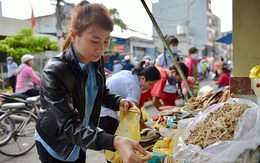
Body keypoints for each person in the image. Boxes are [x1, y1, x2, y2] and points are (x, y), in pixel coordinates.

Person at [35, 1, 151, 163]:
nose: (101, 48)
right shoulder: (55, 72)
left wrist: (119, 101)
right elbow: (68, 125)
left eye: (106, 41)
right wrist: (114, 141)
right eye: (95, 41)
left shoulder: (96, 60)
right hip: (57, 144)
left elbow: (100, 92)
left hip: (82, 138)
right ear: (75, 35)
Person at [99, 61, 161, 135]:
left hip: (100, 107)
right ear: (143, 78)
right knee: (112, 141)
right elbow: (133, 113)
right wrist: (149, 129)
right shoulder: (134, 87)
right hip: (106, 113)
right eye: (150, 84)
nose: (150, 87)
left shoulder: (128, 74)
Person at [155, 35, 180, 106]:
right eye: (173, 45)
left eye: (176, 45)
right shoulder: (161, 58)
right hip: (165, 88)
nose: (175, 47)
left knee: (172, 107)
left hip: (173, 87)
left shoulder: (176, 57)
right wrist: (166, 71)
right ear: (167, 45)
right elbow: (157, 70)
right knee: (170, 109)